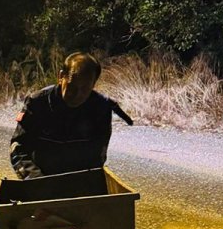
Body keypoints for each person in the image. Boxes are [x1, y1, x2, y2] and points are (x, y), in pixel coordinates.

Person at [10, 52, 132, 180]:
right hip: (39, 177)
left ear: (93, 85)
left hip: (78, 180)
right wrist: (33, 178)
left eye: (84, 89)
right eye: (72, 87)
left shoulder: (101, 108)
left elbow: (97, 157)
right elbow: (18, 146)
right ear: (61, 77)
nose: (77, 95)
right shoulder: (37, 102)